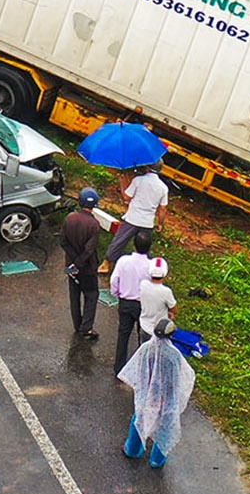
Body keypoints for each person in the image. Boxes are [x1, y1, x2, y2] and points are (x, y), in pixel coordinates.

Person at [118, 258, 190, 469]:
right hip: (167, 397)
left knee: (140, 417)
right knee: (165, 425)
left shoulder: (146, 349)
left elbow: (136, 370)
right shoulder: (175, 355)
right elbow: (184, 376)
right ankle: (157, 459)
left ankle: (133, 449)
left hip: (148, 392)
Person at [104, 163, 169, 267]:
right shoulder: (163, 188)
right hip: (147, 223)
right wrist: (160, 223)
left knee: (119, 242)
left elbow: (126, 197)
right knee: (144, 248)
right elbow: (163, 208)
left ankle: (106, 264)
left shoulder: (138, 180)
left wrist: (122, 183)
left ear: (147, 168)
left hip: (132, 218)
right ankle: (143, 269)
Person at [109, 229, 154, 373]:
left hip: (126, 303)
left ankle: (119, 368)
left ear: (134, 245)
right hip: (143, 305)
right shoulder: (151, 265)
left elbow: (114, 280)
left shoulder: (123, 261)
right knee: (144, 336)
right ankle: (141, 369)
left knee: (123, 335)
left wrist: (116, 293)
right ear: (149, 247)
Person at [61, 187, 102, 341]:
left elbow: (63, 241)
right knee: (91, 295)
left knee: (74, 295)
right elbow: (89, 250)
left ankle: (77, 325)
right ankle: (86, 328)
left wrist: (73, 263)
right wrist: (79, 263)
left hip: (70, 266)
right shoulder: (94, 224)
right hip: (87, 268)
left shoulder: (69, 218)